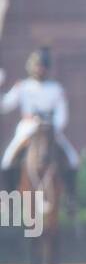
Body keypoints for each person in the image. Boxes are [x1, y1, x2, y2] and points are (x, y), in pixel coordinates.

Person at [0, 48, 79, 208]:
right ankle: (7, 199)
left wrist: (52, 126)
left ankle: (71, 198)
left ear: (47, 68)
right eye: (37, 66)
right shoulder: (22, 87)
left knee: (73, 159)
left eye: (42, 66)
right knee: (7, 159)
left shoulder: (56, 88)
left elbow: (62, 114)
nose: (39, 69)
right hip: (28, 128)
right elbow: (5, 106)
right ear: (31, 67)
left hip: (50, 129)